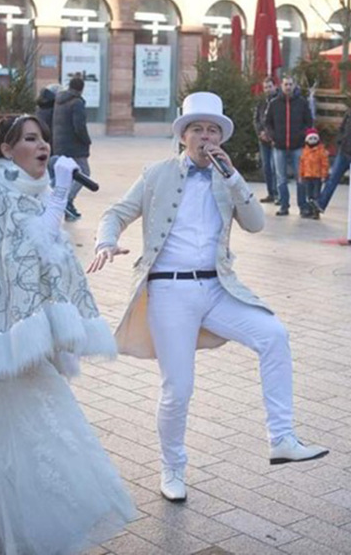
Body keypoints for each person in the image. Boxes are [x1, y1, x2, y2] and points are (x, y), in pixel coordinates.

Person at [88, 92, 329, 503]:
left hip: (218, 289)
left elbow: (255, 225)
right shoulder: (156, 173)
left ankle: (282, 438)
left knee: (273, 334)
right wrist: (106, 241)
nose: (205, 136)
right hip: (169, 290)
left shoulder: (226, 178)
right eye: (197, 129)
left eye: (212, 129)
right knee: (178, 388)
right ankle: (173, 466)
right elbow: (116, 213)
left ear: (221, 136)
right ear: (183, 136)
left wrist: (235, 178)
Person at [0, 114, 135, 554]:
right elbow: (28, 252)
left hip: (16, 344)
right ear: (6, 150)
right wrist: (60, 194)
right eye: (29, 139)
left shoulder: (22, 191)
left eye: (43, 138)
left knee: (21, 434)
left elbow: (45, 262)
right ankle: (9, 531)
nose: (42, 145)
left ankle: (1, 530)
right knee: (12, 437)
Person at [265, 76, 313, 217]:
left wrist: (302, 135)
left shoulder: (302, 103)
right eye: (286, 84)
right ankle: (284, 206)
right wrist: (273, 136)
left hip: (297, 146)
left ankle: (302, 206)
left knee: (300, 177)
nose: (288, 87)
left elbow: (308, 122)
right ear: (281, 85)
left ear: (294, 85)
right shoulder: (274, 104)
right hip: (279, 146)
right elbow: (268, 123)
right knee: (281, 178)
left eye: (290, 84)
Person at [314, 91, 351, 213]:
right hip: (344, 153)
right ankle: (320, 205)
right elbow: (342, 129)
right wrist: (340, 141)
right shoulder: (349, 115)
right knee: (332, 179)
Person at [52, 75, 92, 221]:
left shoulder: (59, 101)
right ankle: (67, 201)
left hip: (60, 143)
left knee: (65, 174)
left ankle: (61, 203)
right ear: (81, 89)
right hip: (74, 146)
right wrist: (86, 141)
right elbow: (79, 127)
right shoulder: (77, 103)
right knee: (84, 173)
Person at [254, 76, 278, 204]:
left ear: (275, 86)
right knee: (266, 167)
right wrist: (260, 132)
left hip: (275, 139)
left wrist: (272, 135)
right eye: (265, 87)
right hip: (263, 139)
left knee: (276, 167)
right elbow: (256, 119)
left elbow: (279, 121)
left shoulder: (279, 101)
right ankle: (270, 193)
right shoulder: (262, 102)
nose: (268, 89)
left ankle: (277, 193)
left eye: (270, 86)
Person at [300, 128, 329, 220]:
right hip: (307, 176)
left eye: (314, 138)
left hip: (317, 177)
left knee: (316, 194)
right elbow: (302, 164)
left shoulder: (321, 151)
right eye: (310, 139)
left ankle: (316, 212)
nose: (312, 141)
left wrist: (324, 175)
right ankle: (309, 210)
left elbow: (325, 164)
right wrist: (301, 175)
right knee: (309, 195)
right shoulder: (304, 151)